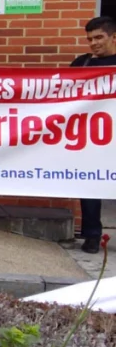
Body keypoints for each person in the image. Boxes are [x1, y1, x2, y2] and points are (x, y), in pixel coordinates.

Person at [71, 16, 116, 254]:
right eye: (90, 39)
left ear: (113, 37)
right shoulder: (82, 63)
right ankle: (91, 235)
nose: (93, 43)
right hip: (93, 134)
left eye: (99, 37)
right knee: (90, 184)